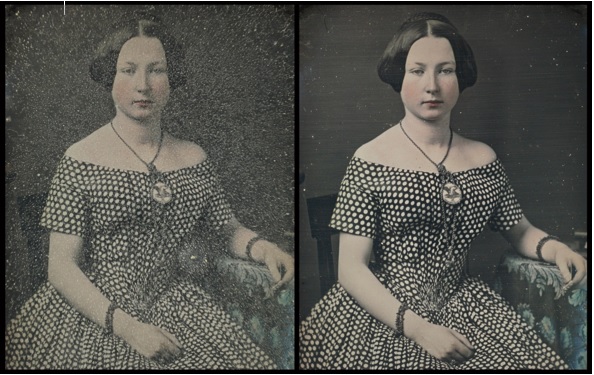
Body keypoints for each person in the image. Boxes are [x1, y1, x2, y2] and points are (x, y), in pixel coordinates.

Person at [5, 13, 294, 370]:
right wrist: (130, 329)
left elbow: (225, 228)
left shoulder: (193, 156)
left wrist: (263, 247)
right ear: (110, 77)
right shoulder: (79, 158)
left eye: (156, 70)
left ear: (171, 79)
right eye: (128, 70)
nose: (143, 85)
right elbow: (61, 268)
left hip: (176, 302)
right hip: (96, 315)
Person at [299, 12, 586, 370]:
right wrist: (420, 330)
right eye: (417, 70)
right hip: (383, 313)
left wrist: (556, 248)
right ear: (398, 78)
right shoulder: (369, 158)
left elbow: (521, 230)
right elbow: (351, 270)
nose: (431, 85)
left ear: (460, 76)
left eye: (445, 70)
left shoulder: (483, 158)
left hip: (465, 303)